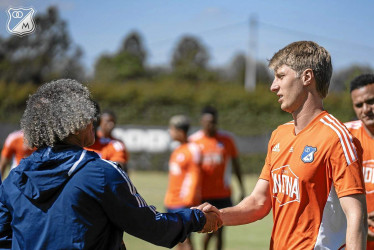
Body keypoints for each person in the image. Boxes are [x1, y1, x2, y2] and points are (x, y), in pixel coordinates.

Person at [0, 79, 221, 249]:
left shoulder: (14, 179)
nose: (93, 123)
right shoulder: (101, 173)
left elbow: (3, 238)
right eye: (88, 117)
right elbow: (152, 227)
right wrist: (197, 218)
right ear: (74, 126)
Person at [201, 41, 367, 249]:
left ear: (307, 77)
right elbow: (258, 203)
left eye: (280, 76)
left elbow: (356, 216)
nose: (273, 86)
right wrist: (218, 217)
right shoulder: (279, 135)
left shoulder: (337, 138)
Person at [189, 106, 245, 250]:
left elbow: (236, 165)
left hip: (223, 193)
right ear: (201, 121)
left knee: (220, 231)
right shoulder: (194, 141)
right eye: (207, 121)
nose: (210, 125)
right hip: (203, 195)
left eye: (213, 122)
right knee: (207, 230)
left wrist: (242, 187)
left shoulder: (226, 140)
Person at [345, 73, 374, 249]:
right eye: (358, 105)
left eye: (371, 101)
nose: (365, 109)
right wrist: (361, 221)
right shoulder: (345, 136)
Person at [164, 115, 202, 250]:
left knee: (186, 240)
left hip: (183, 202)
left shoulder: (192, 149)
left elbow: (194, 176)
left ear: (180, 131)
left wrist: (188, 201)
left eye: (172, 129)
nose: (170, 132)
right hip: (172, 201)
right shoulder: (178, 149)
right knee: (177, 239)